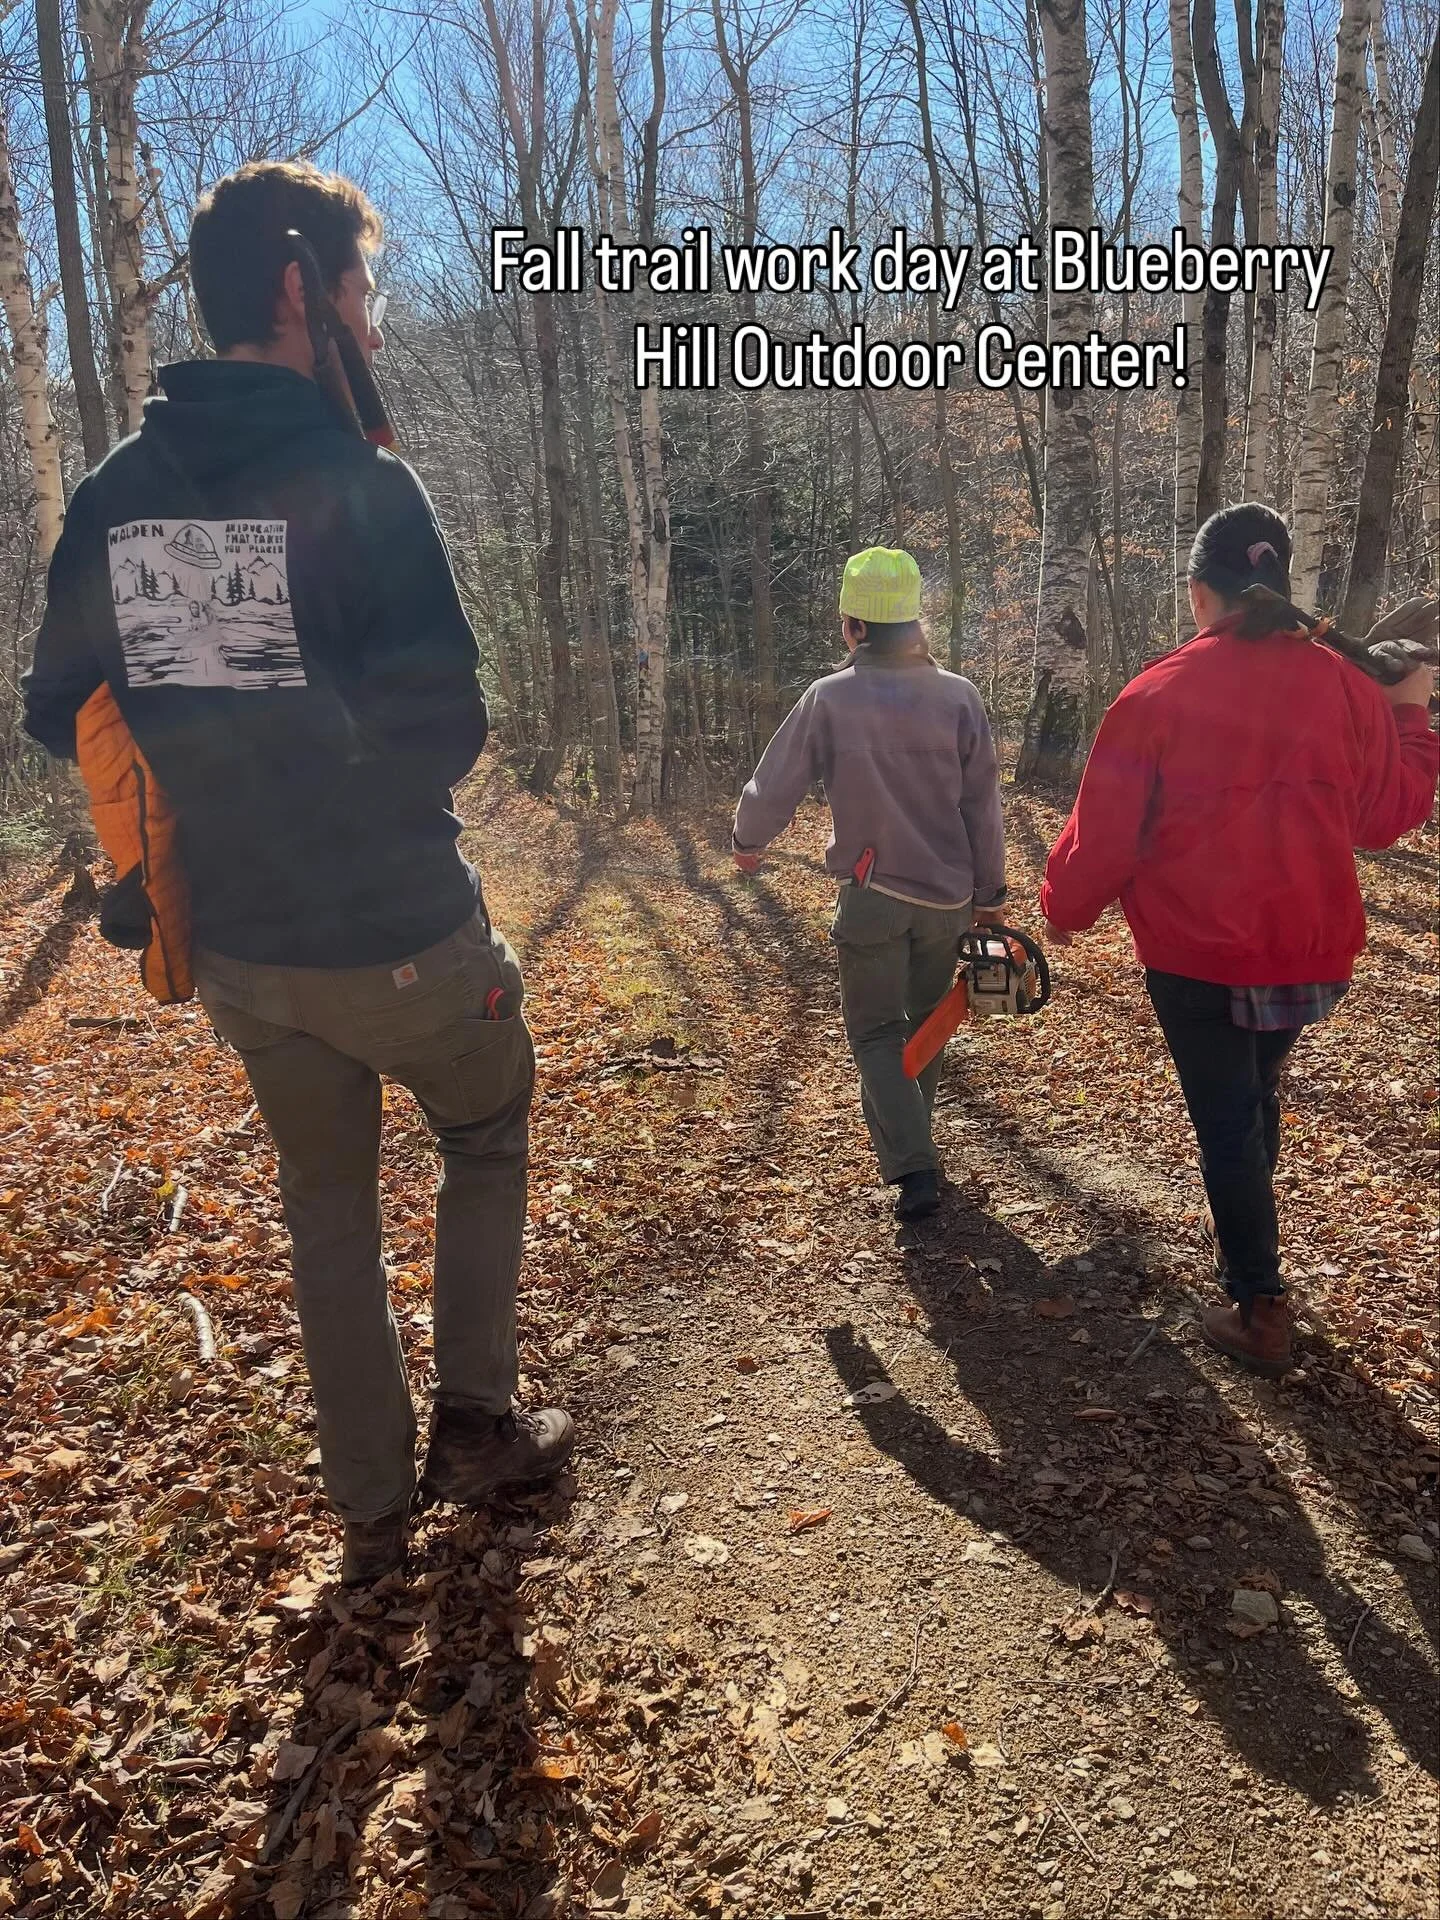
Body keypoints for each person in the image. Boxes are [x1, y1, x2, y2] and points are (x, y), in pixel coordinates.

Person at [23, 162, 573, 1586]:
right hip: (392, 928)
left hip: (241, 956)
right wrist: (325, 770)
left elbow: (58, 702)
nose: (378, 327)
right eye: (364, 291)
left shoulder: (114, 497)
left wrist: (212, 744)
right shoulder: (356, 482)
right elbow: (446, 722)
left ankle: (374, 1504)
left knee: (325, 1201)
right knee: (490, 1118)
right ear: (296, 292)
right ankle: (477, 1423)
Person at [1039, 504, 1437, 1375]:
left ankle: (1260, 1306)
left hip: (1198, 957)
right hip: (1307, 953)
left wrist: (1064, 912)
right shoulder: (1339, 684)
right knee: (1251, 1101)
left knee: (1228, 1120)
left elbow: (1104, 832)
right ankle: (1245, 1243)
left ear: (1199, 592)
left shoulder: (1158, 691)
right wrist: (1413, 717)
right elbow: (1387, 817)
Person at [732, 547, 1008, 1220]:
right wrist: (992, 895)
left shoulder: (829, 698)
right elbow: (983, 804)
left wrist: (748, 842)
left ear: (853, 626)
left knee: (876, 1034)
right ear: (915, 622)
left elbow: (775, 782)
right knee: (924, 1025)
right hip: (949, 899)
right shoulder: (960, 696)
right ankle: (916, 1146)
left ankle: (916, 1167)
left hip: (873, 894)